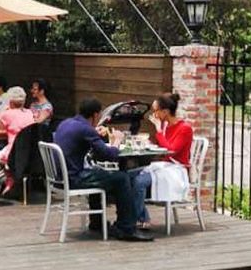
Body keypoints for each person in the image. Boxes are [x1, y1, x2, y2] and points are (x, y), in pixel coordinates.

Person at [52, 97, 153, 242]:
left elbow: (84, 141)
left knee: (99, 174)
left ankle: (97, 222)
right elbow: (109, 155)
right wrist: (117, 141)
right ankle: (126, 228)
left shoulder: (66, 123)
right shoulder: (85, 129)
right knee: (121, 178)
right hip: (75, 178)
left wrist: (94, 134)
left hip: (60, 178)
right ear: (95, 115)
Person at [129, 92, 194, 229]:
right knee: (127, 176)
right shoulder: (166, 126)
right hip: (164, 166)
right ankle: (141, 217)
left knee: (139, 182)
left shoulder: (184, 129)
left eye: (156, 111)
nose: (154, 114)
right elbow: (163, 148)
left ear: (165, 111)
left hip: (176, 170)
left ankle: (138, 220)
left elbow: (171, 150)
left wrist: (158, 131)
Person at [0, 87, 35, 167]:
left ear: (10, 102)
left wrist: (3, 112)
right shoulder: (29, 113)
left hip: (13, 153)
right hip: (29, 154)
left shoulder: (7, 114)